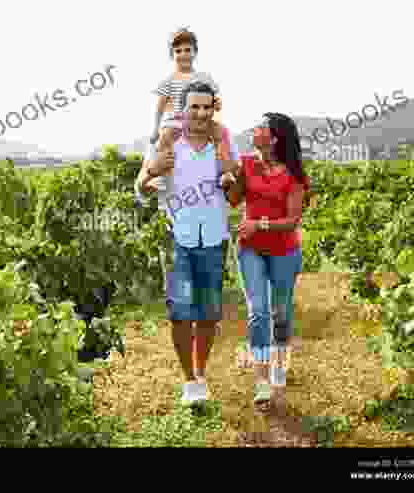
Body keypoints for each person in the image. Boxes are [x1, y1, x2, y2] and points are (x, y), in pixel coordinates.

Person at [136, 80, 235, 405]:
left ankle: (201, 373)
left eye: (207, 107)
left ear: (214, 108)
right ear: (183, 110)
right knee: (180, 313)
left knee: (208, 313)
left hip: (214, 238)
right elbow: (141, 185)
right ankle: (189, 380)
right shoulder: (168, 141)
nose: (201, 113)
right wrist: (152, 173)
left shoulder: (222, 141)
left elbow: (235, 193)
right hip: (178, 237)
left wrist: (229, 176)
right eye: (195, 106)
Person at [220, 112, 309, 408]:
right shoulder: (246, 164)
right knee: (258, 311)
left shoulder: (292, 173)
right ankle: (261, 380)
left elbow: (293, 219)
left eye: (260, 127)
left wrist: (259, 224)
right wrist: (227, 180)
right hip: (250, 249)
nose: (254, 130)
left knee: (280, 312)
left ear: (273, 138)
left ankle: (280, 361)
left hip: (284, 250)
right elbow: (234, 199)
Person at [151, 27, 232, 169]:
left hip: (201, 118)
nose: (183, 54)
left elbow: (215, 100)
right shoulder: (168, 81)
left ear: (195, 52)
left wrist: (217, 104)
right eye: (178, 51)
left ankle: (225, 170)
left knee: (221, 132)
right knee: (165, 137)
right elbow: (159, 108)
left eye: (188, 50)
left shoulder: (204, 77)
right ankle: (162, 173)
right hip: (176, 121)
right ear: (172, 55)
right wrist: (155, 129)